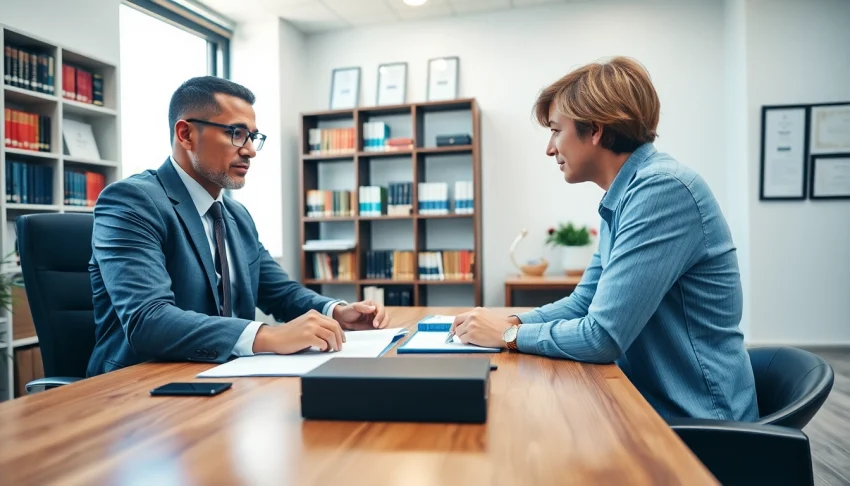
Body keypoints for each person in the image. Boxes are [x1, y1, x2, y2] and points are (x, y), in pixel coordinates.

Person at [450, 57, 758, 421]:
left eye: (555, 130)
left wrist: (508, 336)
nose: (550, 149)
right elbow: (584, 303)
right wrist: (513, 322)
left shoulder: (662, 190)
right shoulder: (626, 195)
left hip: (701, 421)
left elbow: (602, 337)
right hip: (651, 405)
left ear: (595, 130)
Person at [87, 76, 388, 376]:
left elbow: (280, 293)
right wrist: (267, 336)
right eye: (236, 133)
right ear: (186, 134)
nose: (250, 151)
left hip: (227, 379)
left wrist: (337, 312)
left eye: (252, 137)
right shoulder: (131, 201)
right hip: (138, 388)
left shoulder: (236, 215)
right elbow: (148, 321)